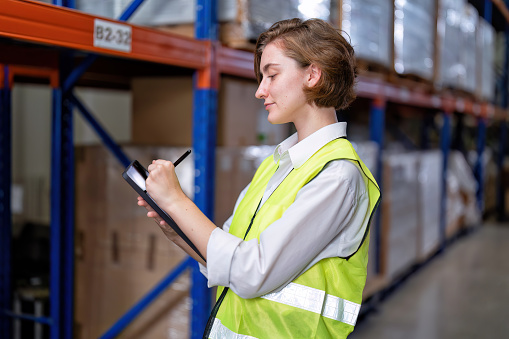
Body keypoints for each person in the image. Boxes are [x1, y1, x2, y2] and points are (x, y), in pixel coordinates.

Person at [138, 18, 380, 339]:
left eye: (272, 75)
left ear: (312, 74)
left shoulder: (337, 176)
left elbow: (252, 272)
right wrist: (178, 230)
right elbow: (228, 259)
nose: (259, 90)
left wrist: (177, 201)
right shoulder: (279, 163)